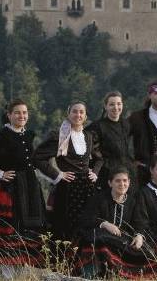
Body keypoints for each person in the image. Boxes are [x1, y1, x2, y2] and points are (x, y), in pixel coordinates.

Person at [0, 99, 46, 279]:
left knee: (26, 233)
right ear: (9, 115)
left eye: (24, 113)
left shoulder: (29, 135)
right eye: (17, 113)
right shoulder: (1, 135)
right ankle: (7, 277)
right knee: (10, 235)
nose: (22, 116)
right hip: (10, 190)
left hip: (29, 189)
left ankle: (19, 276)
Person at [33, 101, 103, 240]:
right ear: (68, 114)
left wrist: (94, 172)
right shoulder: (58, 136)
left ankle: (81, 260)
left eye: (81, 112)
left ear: (85, 116)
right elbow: (37, 158)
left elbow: (99, 158)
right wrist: (57, 174)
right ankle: (61, 259)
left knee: (84, 225)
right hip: (66, 189)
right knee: (63, 226)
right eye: (75, 111)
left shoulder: (88, 136)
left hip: (86, 188)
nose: (78, 114)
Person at [77, 167, 155, 279]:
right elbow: (86, 219)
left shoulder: (133, 201)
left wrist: (139, 235)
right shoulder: (99, 199)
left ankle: (124, 274)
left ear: (129, 182)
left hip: (122, 242)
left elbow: (140, 222)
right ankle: (93, 274)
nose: (122, 184)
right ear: (110, 183)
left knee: (147, 252)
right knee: (99, 237)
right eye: (117, 181)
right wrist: (104, 224)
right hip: (101, 240)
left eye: (125, 181)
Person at [86, 91, 134, 190]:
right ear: (105, 106)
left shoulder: (126, 124)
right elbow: (86, 147)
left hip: (125, 173)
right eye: (111, 104)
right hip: (106, 174)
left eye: (119, 104)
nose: (116, 107)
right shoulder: (97, 126)